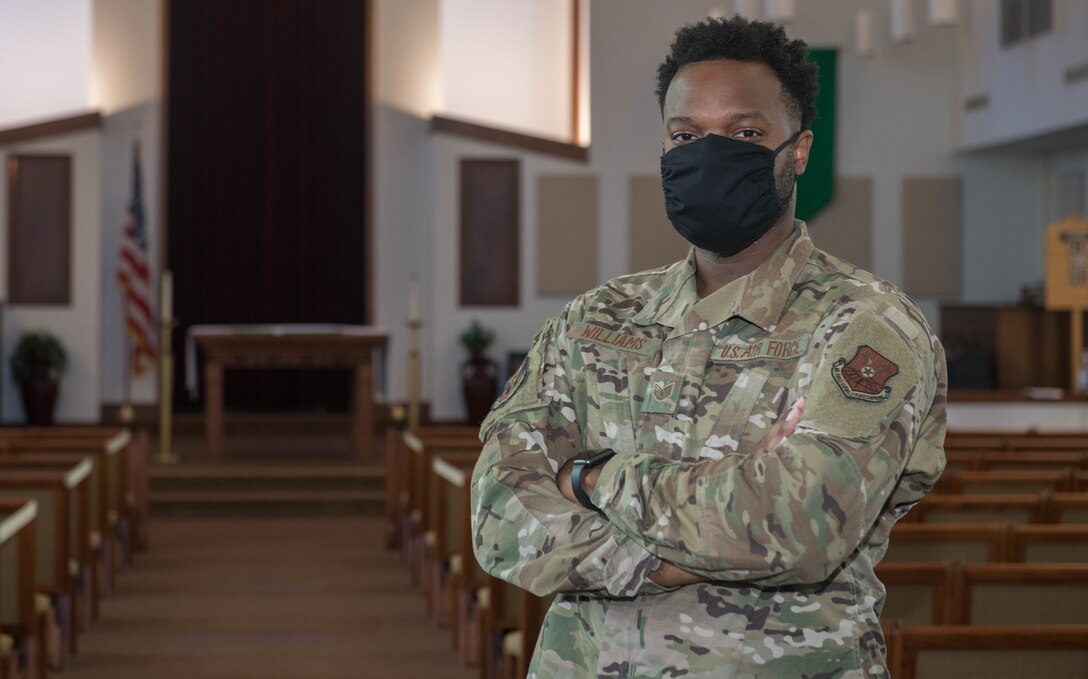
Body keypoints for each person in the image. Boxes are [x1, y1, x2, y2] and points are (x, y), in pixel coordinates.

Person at [470, 15, 946, 678]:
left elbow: (796, 525)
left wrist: (587, 476)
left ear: (799, 150)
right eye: (686, 135)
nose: (709, 153)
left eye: (745, 134)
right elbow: (498, 515)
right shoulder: (595, 319)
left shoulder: (866, 325)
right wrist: (649, 560)